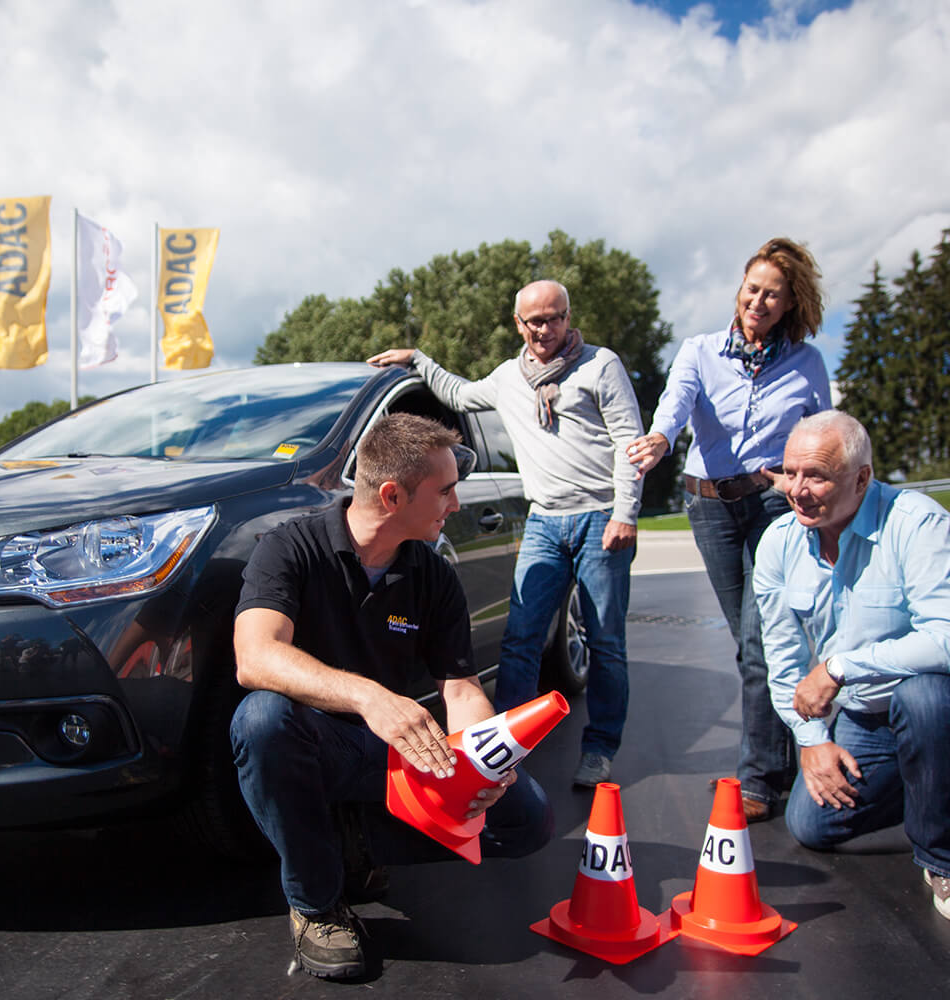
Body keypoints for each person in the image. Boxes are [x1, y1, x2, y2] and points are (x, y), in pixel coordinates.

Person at [230, 413, 553, 980]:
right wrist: (368, 698)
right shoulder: (290, 548)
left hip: (398, 757)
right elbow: (254, 657)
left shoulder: (433, 574)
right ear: (392, 493)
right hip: (316, 749)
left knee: (526, 817)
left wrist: (484, 761)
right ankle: (316, 902)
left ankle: (354, 845)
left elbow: (460, 688)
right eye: (446, 490)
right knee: (262, 722)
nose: (456, 503)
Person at [368, 279, 644, 788]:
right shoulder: (507, 377)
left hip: (600, 515)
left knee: (606, 642)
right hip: (544, 520)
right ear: (519, 324)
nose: (545, 329)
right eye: (534, 321)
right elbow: (456, 393)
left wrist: (626, 512)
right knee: (521, 639)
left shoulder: (600, 365)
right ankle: (507, 749)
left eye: (555, 318)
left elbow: (631, 441)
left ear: (567, 316)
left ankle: (599, 749)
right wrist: (418, 359)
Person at [626, 237, 831, 822]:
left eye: (773, 295)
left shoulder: (806, 362)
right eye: (753, 289)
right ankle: (792, 751)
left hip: (772, 507)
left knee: (761, 643)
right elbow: (676, 401)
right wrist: (661, 439)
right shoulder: (700, 350)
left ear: (790, 304)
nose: (758, 302)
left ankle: (761, 778)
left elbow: (822, 430)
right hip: (709, 507)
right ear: (739, 288)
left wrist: (806, 477)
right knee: (750, 646)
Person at [753, 410, 950, 919]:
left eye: (816, 475)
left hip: (934, 704)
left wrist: (841, 666)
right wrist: (812, 741)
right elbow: (783, 659)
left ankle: (942, 861)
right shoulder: (779, 541)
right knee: (814, 825)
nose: (797, 489)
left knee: (922, 696)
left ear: (862, 478)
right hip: (866, 715)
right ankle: (936, 795)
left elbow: (946, 638)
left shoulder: (918, 523)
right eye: (790, 472)